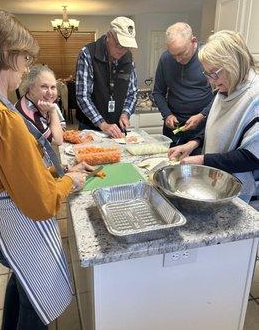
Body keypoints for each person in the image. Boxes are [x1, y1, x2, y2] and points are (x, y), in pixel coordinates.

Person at [0, 7, 93, 330]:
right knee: (37, 300)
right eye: (24, 59)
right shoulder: (3, 119)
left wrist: (48, 170)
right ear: (6, 53)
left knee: (21, 284)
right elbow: (42, 204)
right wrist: (70, 180)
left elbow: (5, 170)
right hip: (13, 226)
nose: (25, 69)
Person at [168, 30, 259, 203]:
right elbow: (217, 126)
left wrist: (202, 160)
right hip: (217, 185)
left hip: (241, 194)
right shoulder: (228, 86)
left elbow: (252, 158)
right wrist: (193, 143)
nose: (211, 81)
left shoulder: (254, 98)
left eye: (214, 73)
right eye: (207, 74)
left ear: (233, 64)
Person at [152, 22, 214, 150]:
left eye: (181, 53)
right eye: (173, 54)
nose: (178, 59)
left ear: (193, 41)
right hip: (173, 128)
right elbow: (158, 92)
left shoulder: (208, 56)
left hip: (201, 128)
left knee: (195, 167)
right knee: (171, 165)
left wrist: (202, 115)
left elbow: (221, 94)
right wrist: (167, 115)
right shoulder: (165, 59)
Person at [76, 16, 138, 138]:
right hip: (90, 127)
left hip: (116, 128)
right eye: (119, 45)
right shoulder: (88, 53)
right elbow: (82, 96)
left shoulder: (128, 57)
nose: (123, 50)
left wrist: (125, 114)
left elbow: (133, 93)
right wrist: (103, 124)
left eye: (127, 47)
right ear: (109, 36)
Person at [16, 64, 66, 146]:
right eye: (44, 87)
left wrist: (55, 128)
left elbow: (62, 126)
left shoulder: (46, 100)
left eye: (53, 87)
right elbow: (58, 140)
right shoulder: (28, 113)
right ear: (31, 88)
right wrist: (53, 112)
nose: (50, 93)